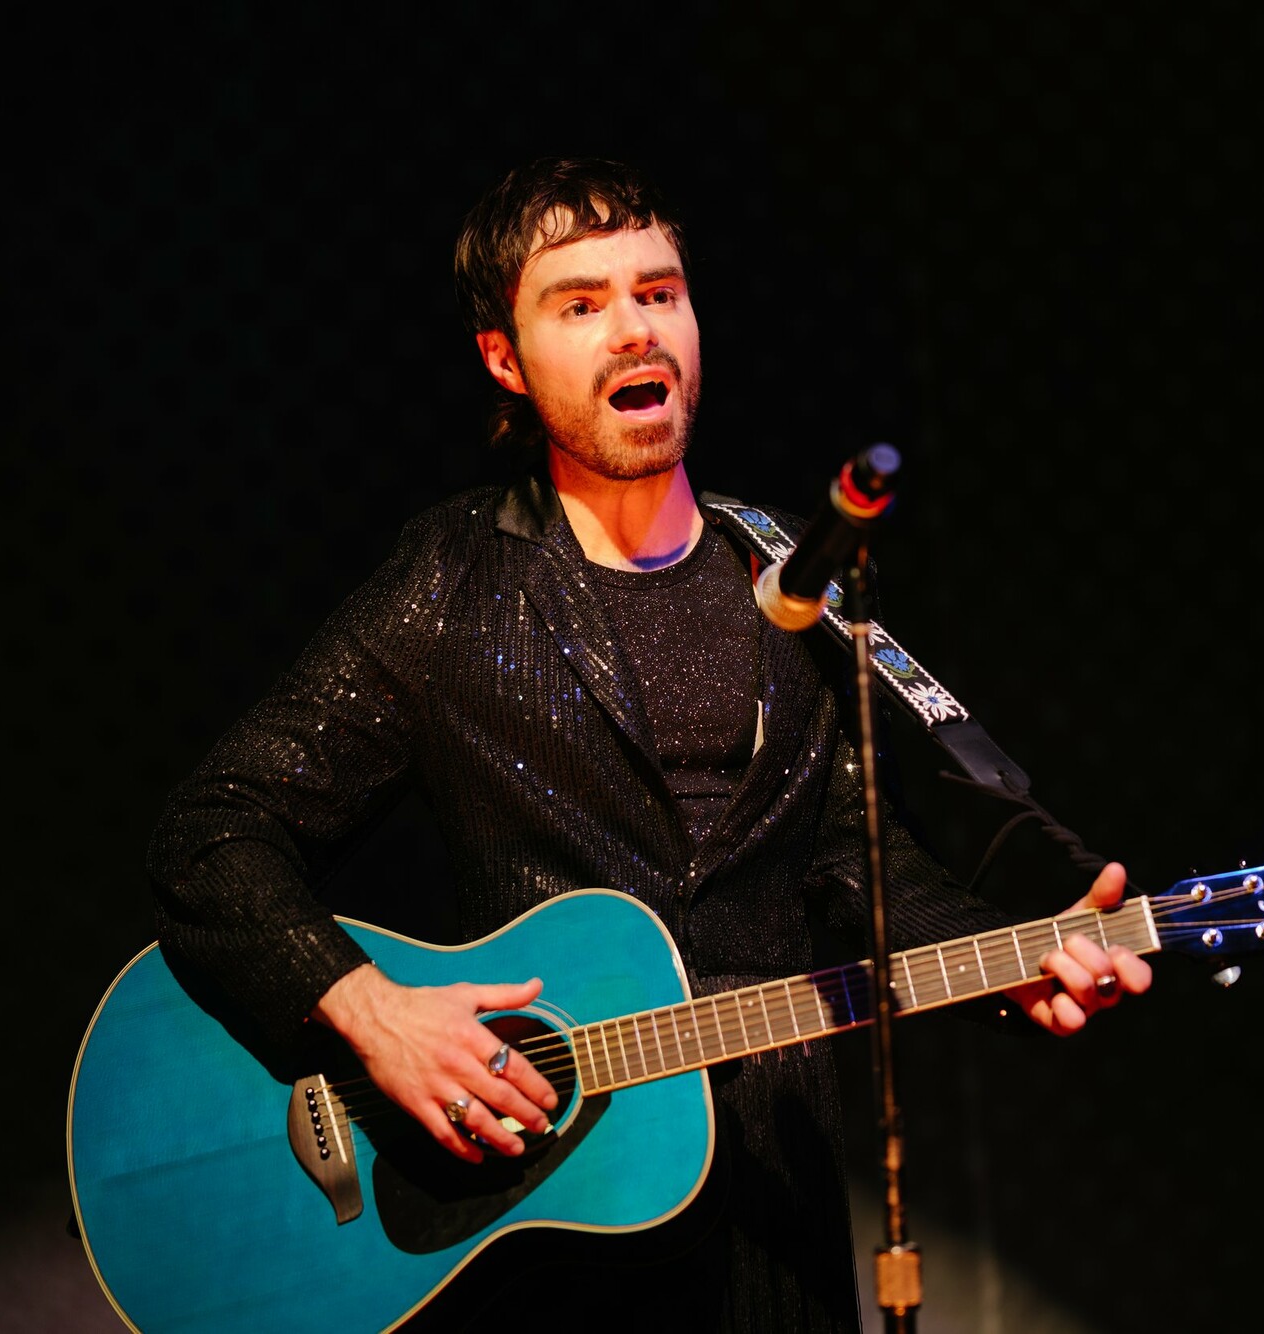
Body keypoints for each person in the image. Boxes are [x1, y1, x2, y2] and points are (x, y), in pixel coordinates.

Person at [145, 156, 1151, 1332]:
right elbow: (210, 834)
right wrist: (369, 1008)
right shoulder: (452, 585)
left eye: (657, 292)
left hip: (776, 1226)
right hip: (533, 1229)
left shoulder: (786, 584)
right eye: (580, 304)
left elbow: (855, 865)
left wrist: (1012, 950)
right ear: (503, 359)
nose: (633, 330)